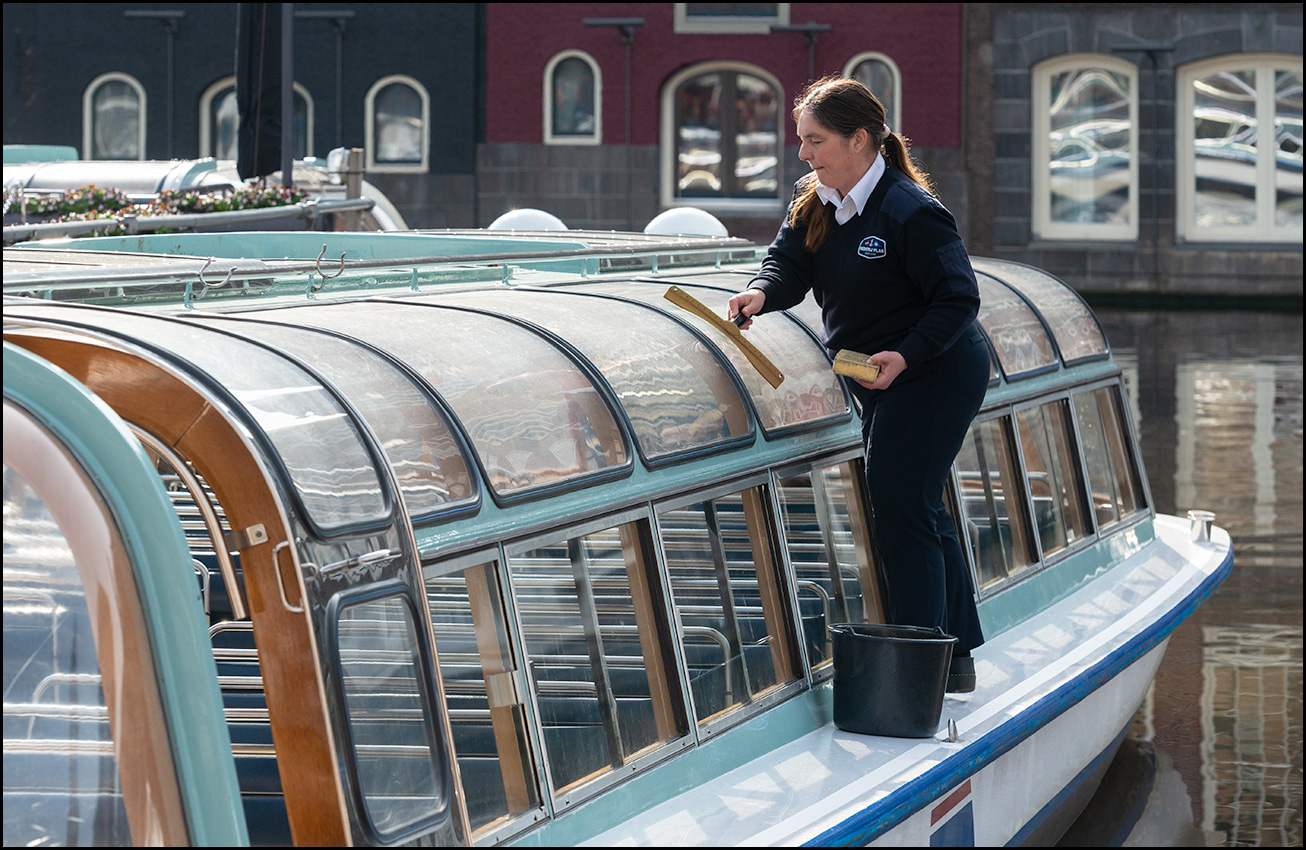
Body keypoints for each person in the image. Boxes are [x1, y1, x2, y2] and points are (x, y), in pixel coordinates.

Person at [727, 76, 988, 692]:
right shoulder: (817, 197)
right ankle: (954, 655)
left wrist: (907, 352)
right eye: (802, 141)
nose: (804, 154)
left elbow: (958, 300)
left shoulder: (910, 210)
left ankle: (919, 667)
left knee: (900, 505)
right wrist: (761, 293)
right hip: (875, 372)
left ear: (861, 139)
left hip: (934, 370)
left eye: (815, 141)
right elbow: (790, 261)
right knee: (916, 503)